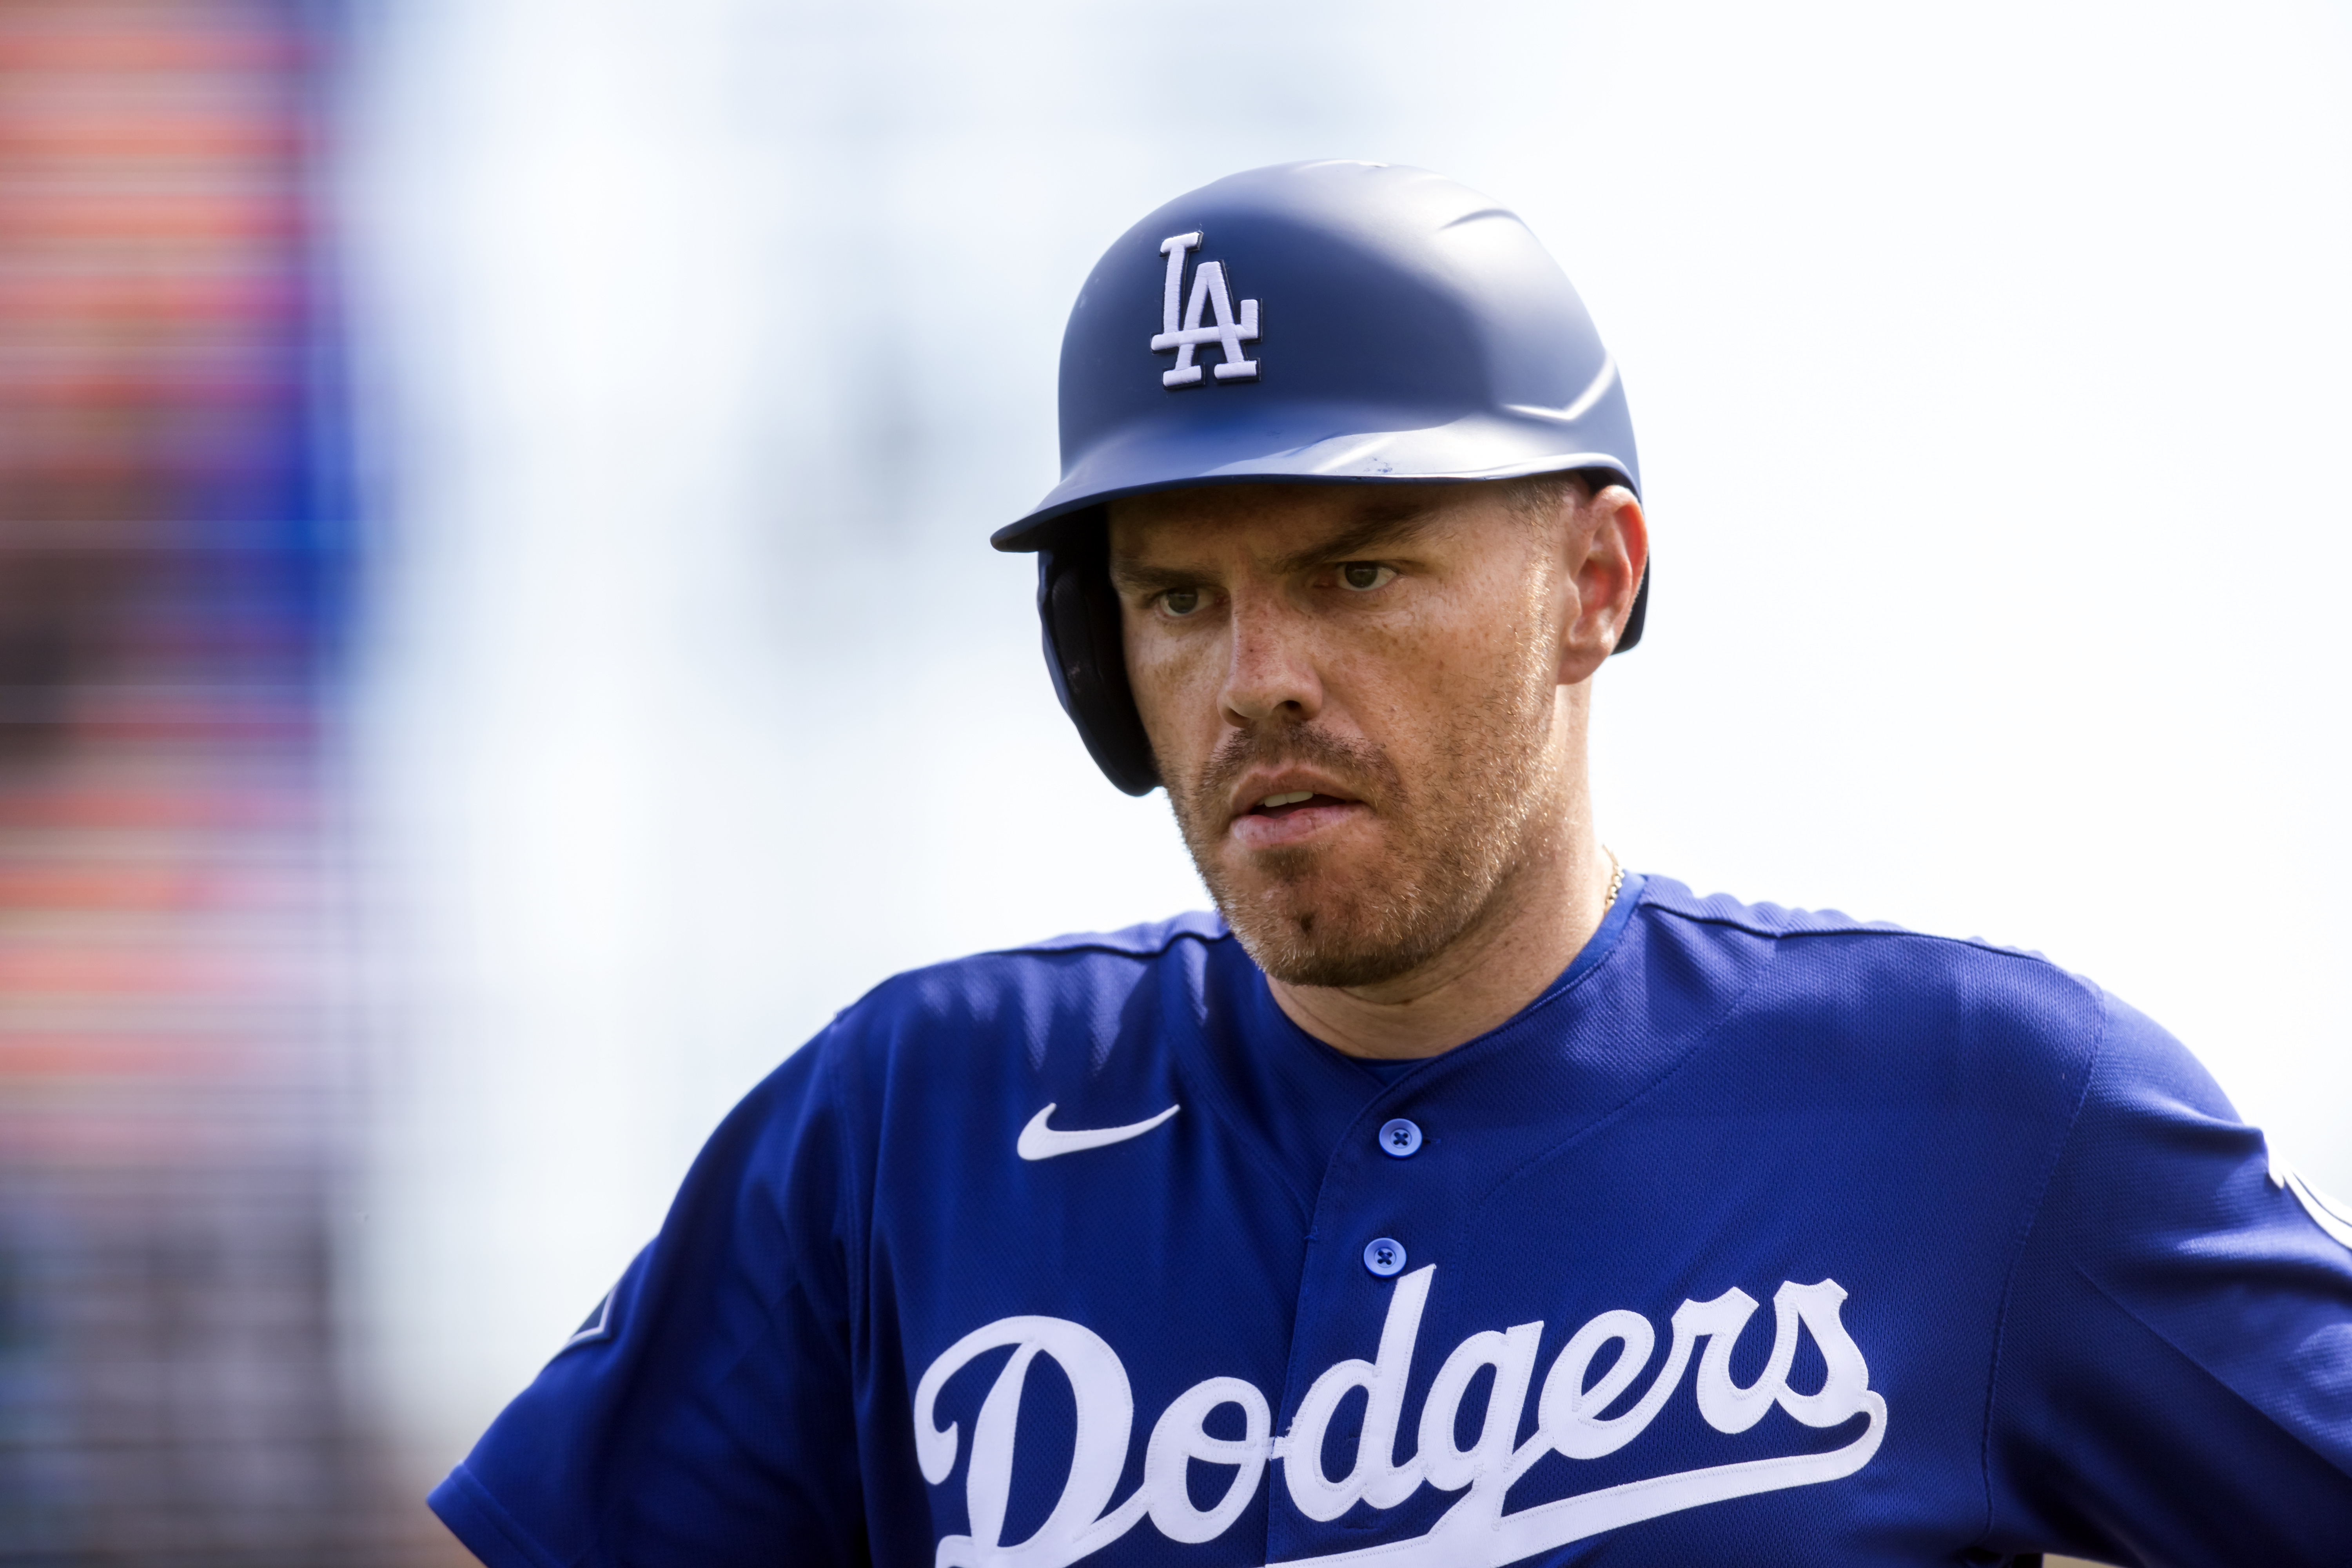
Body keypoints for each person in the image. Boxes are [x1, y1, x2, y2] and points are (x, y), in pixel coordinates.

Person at [428, 162, 2352, 1568]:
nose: (1257, 679)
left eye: (1358, 571)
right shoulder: (911, 1124)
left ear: (1593, 584)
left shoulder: (1975, 1107)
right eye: (1179, 597)